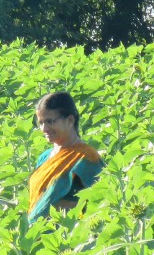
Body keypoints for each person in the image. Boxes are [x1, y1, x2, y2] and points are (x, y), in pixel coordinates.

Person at [28, 91, 104, 223]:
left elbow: (100, 200)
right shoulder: (44, 157)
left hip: (69, 234)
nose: (44, 128)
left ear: (70, 120)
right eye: (40, 123)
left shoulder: (86, 157)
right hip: (39, 236)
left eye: (50, 121)